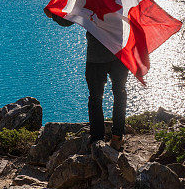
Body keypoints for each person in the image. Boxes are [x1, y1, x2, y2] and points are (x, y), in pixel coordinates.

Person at [47, 12, 129, 151]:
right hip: (118, 53)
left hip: (97, 57)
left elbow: (68, 20)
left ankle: (98, 138)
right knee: (118, 94)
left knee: (96, 98)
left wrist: (53, 15)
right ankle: (116, 136)